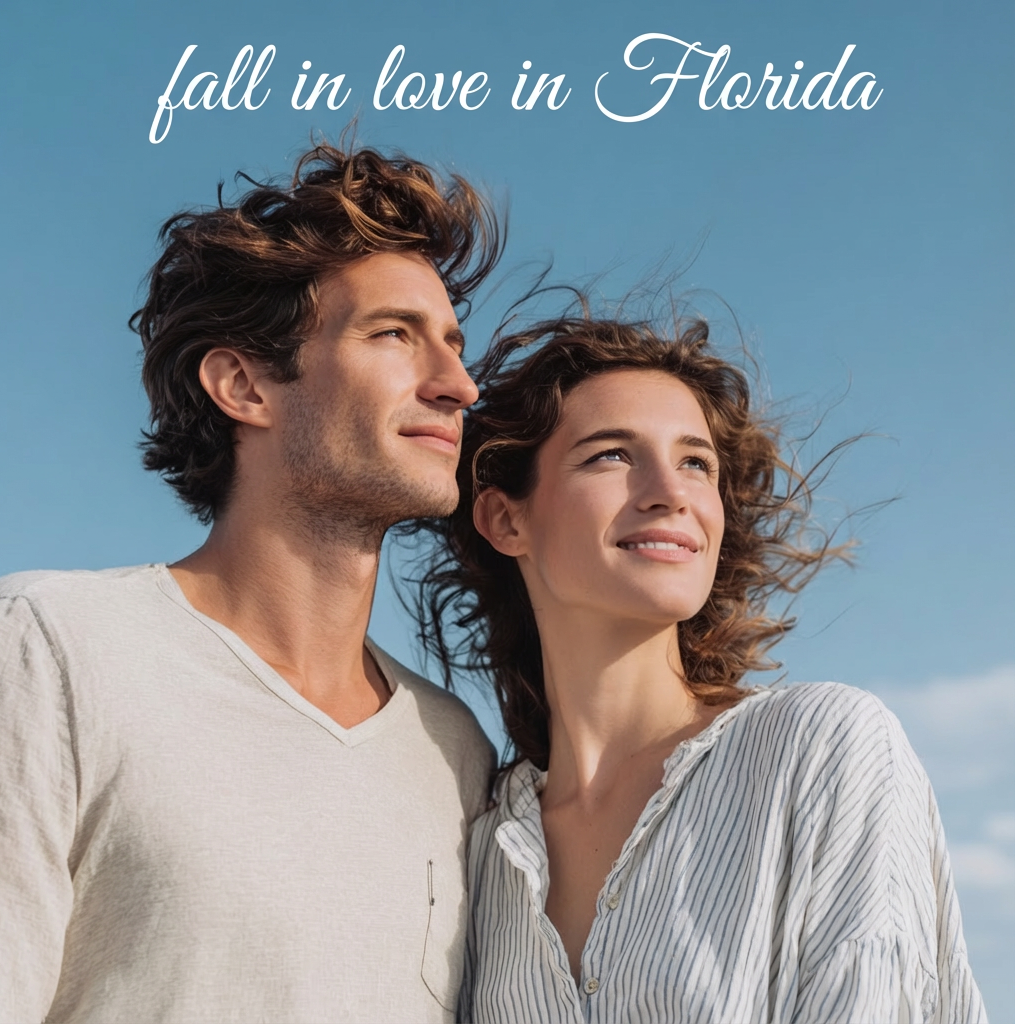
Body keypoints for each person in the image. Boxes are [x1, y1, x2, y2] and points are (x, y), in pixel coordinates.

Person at [0, 143, 502, 1023]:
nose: (459, 384)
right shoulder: (52, 647)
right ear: (243, 384)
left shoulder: (454, 750)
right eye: (394, 335)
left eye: (453, 344)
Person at [415, 314, 987, 1023]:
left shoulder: (821, 749)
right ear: (506, 520)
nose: (669, 491)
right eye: (611, 456)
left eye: (696, 463)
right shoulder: (486, 842)